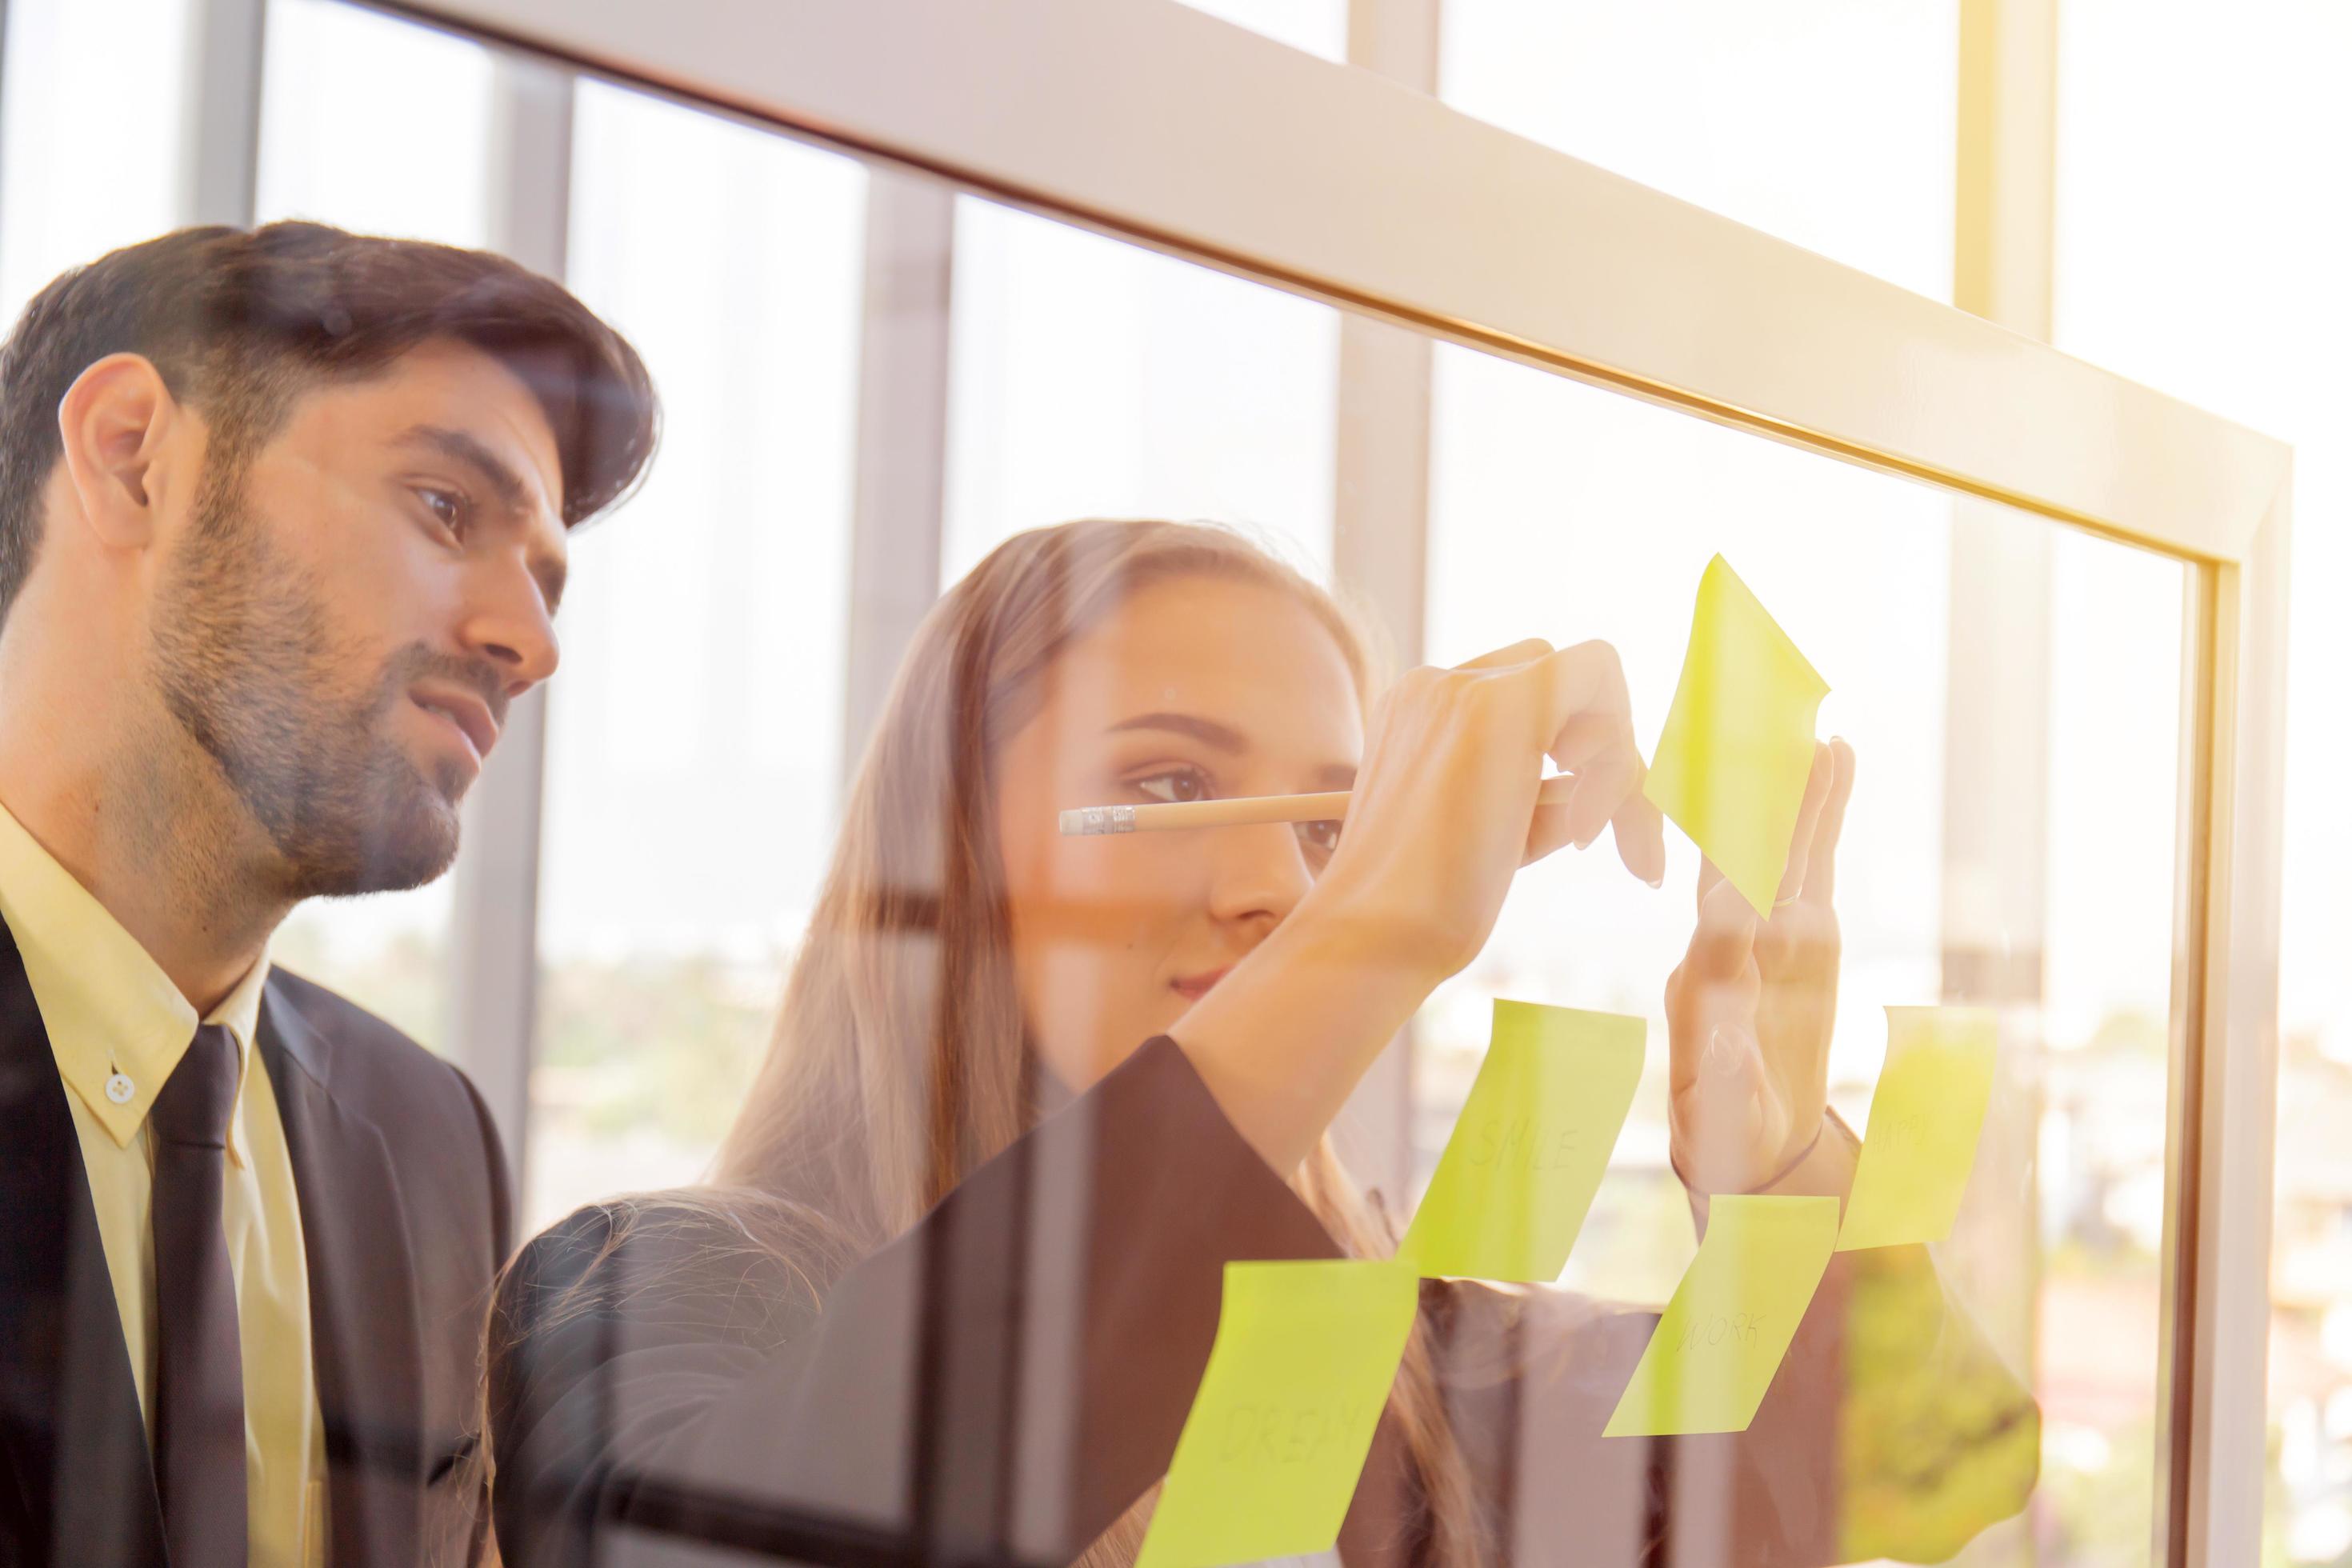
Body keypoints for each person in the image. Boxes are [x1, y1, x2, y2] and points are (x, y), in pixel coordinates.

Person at [486, 519, 2038, 1567]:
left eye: (1330, 827)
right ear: (953, 848)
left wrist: (1773, 1156)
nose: (1274, 890)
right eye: (1170, 786)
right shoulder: (657, 1290)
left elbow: (1932, 1456)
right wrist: (1374, 932)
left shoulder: (1395, 1364)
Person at [0, 222, 656, 1567]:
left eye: (544, 582)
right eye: (444, 508)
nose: (530, 643)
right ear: (134, 456)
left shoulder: (431, 1145)